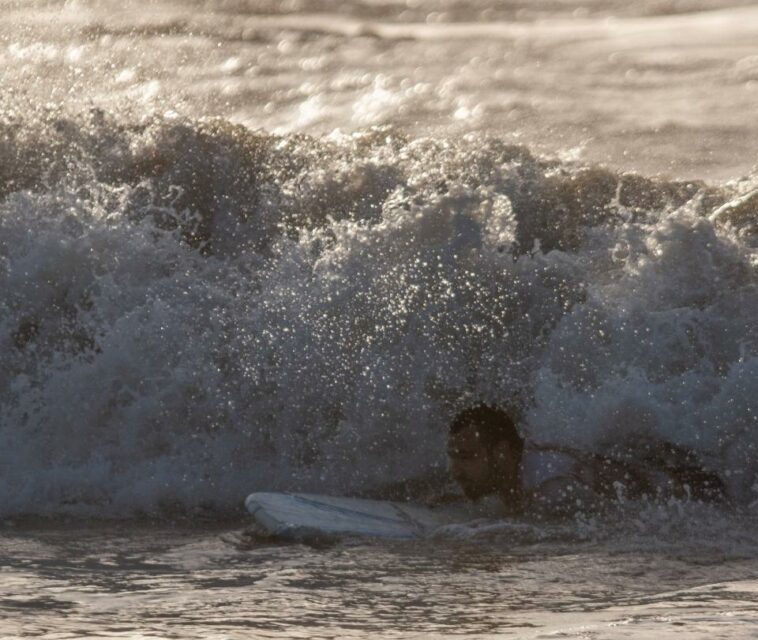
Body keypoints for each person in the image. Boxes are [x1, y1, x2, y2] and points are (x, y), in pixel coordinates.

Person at [447, 404, 725, 517]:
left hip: (697, 494)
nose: (456, 470)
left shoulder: (551, 487)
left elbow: (621, 522)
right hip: (658, 471)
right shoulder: (522, 467)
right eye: (453, 457)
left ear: (502, 452)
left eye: (467, 457)